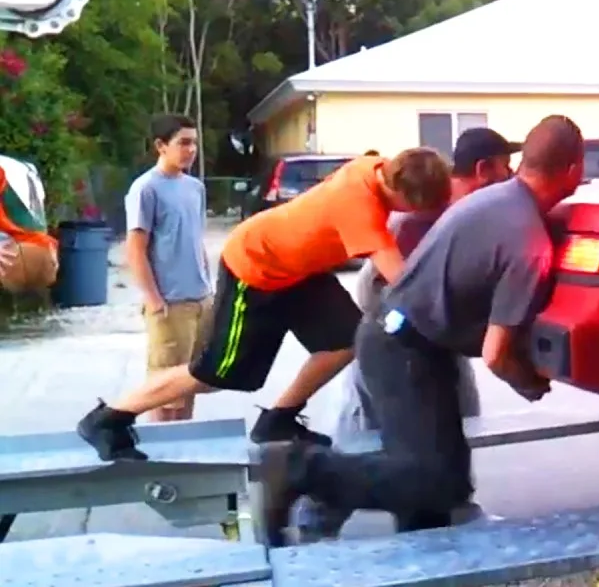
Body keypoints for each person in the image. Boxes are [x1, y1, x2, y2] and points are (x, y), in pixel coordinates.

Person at [255, 116, 585, 544]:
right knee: (433, 481)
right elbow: (495, 354)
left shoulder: (491, 200)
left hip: (406, 341)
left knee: (444, 483)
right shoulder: (527, 240)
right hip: (404, 350)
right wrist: (530, 382)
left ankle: (420, 557)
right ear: (573, 169)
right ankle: (298, 469)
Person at [75, 148, 453, 462]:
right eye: (413, 208)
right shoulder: (359, 208)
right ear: (401, 193)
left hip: (299, 270)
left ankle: (278, 419)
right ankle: (109, 418)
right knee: (215, 373)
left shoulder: (376, 166)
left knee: (347, 339)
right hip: (255, 267)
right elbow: (405, 284)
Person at [294, 127, 519, 541]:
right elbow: (388, 288)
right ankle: (313, 507)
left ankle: (443, 518)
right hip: (397, 344)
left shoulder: (455, 209)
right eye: (506, 167)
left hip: (427, 343)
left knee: (441, 440)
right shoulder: (428, 213)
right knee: (365, 439)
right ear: (484, 169)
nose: (511, 176)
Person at [125, 114, 214, 423]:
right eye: (183, 143)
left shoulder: (195, 188)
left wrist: (208, 287)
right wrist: (153, 299)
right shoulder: (146, 188)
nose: (191, 150)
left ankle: (183, 445)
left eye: (194, 143)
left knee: (191, 382)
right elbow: (135, 248)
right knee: (164, 390)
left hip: (200, 300)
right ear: (161, 146)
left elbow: (196, 238)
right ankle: (160, 448)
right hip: (170, 303)